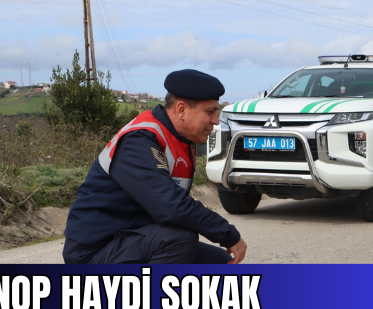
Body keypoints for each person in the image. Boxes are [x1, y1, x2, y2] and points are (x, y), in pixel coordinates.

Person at [62, 69, 247, 264]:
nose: (215, 121)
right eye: (209, 112)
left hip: (130, 237)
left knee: (219, 262)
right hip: (93, 251)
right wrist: (227, 234)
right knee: (180, 240)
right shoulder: (139, 141)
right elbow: (170, 206)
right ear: (181, 109)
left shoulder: (177, 140)